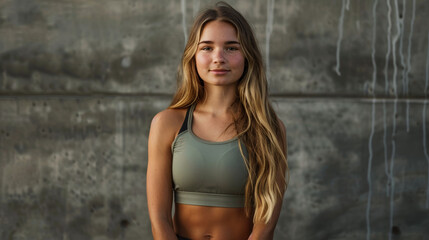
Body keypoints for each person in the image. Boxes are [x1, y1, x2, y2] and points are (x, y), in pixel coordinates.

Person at [147, 2, 288, 239]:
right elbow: (159, 219)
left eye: (231, 48)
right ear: (193, 55)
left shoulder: (268, 128)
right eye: (207, 48)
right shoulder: (167, 123)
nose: (218, 58)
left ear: (247, 56)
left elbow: (265, 225)